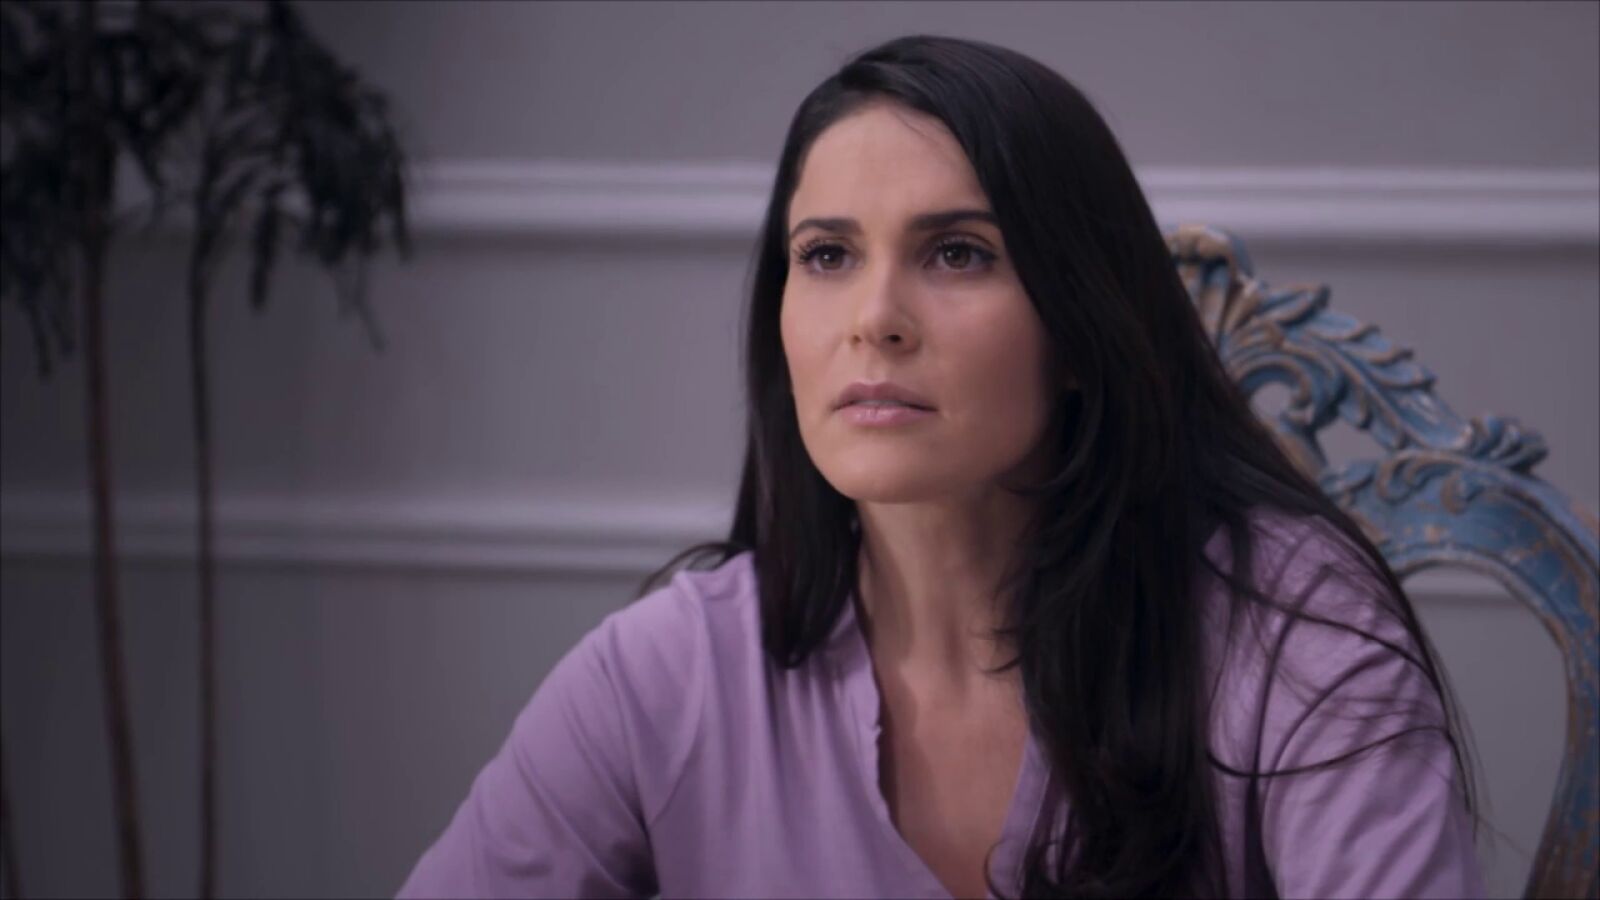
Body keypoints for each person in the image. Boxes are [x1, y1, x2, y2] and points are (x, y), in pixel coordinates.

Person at [397, 34, 1484, 899]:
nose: (874, 318)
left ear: (1082, 322)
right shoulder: (665, 676)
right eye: (826, 255)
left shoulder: (1290, 630)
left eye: (957, 253)